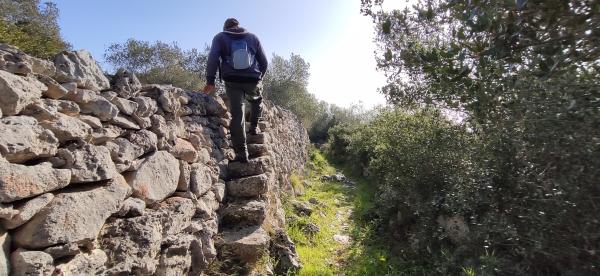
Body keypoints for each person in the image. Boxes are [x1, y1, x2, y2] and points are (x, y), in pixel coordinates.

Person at [202, 18, 268, 163]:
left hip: (231, 80)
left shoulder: (220, 37)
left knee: (238, 115)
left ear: (226, 27)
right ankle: (254, 127)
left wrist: (210, 81)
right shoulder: (252, 37)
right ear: (238, 25)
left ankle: (242, 153)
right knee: (257, 101)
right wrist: (259, 78)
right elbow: (264, 62)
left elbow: (213, 57)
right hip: (252, 80)